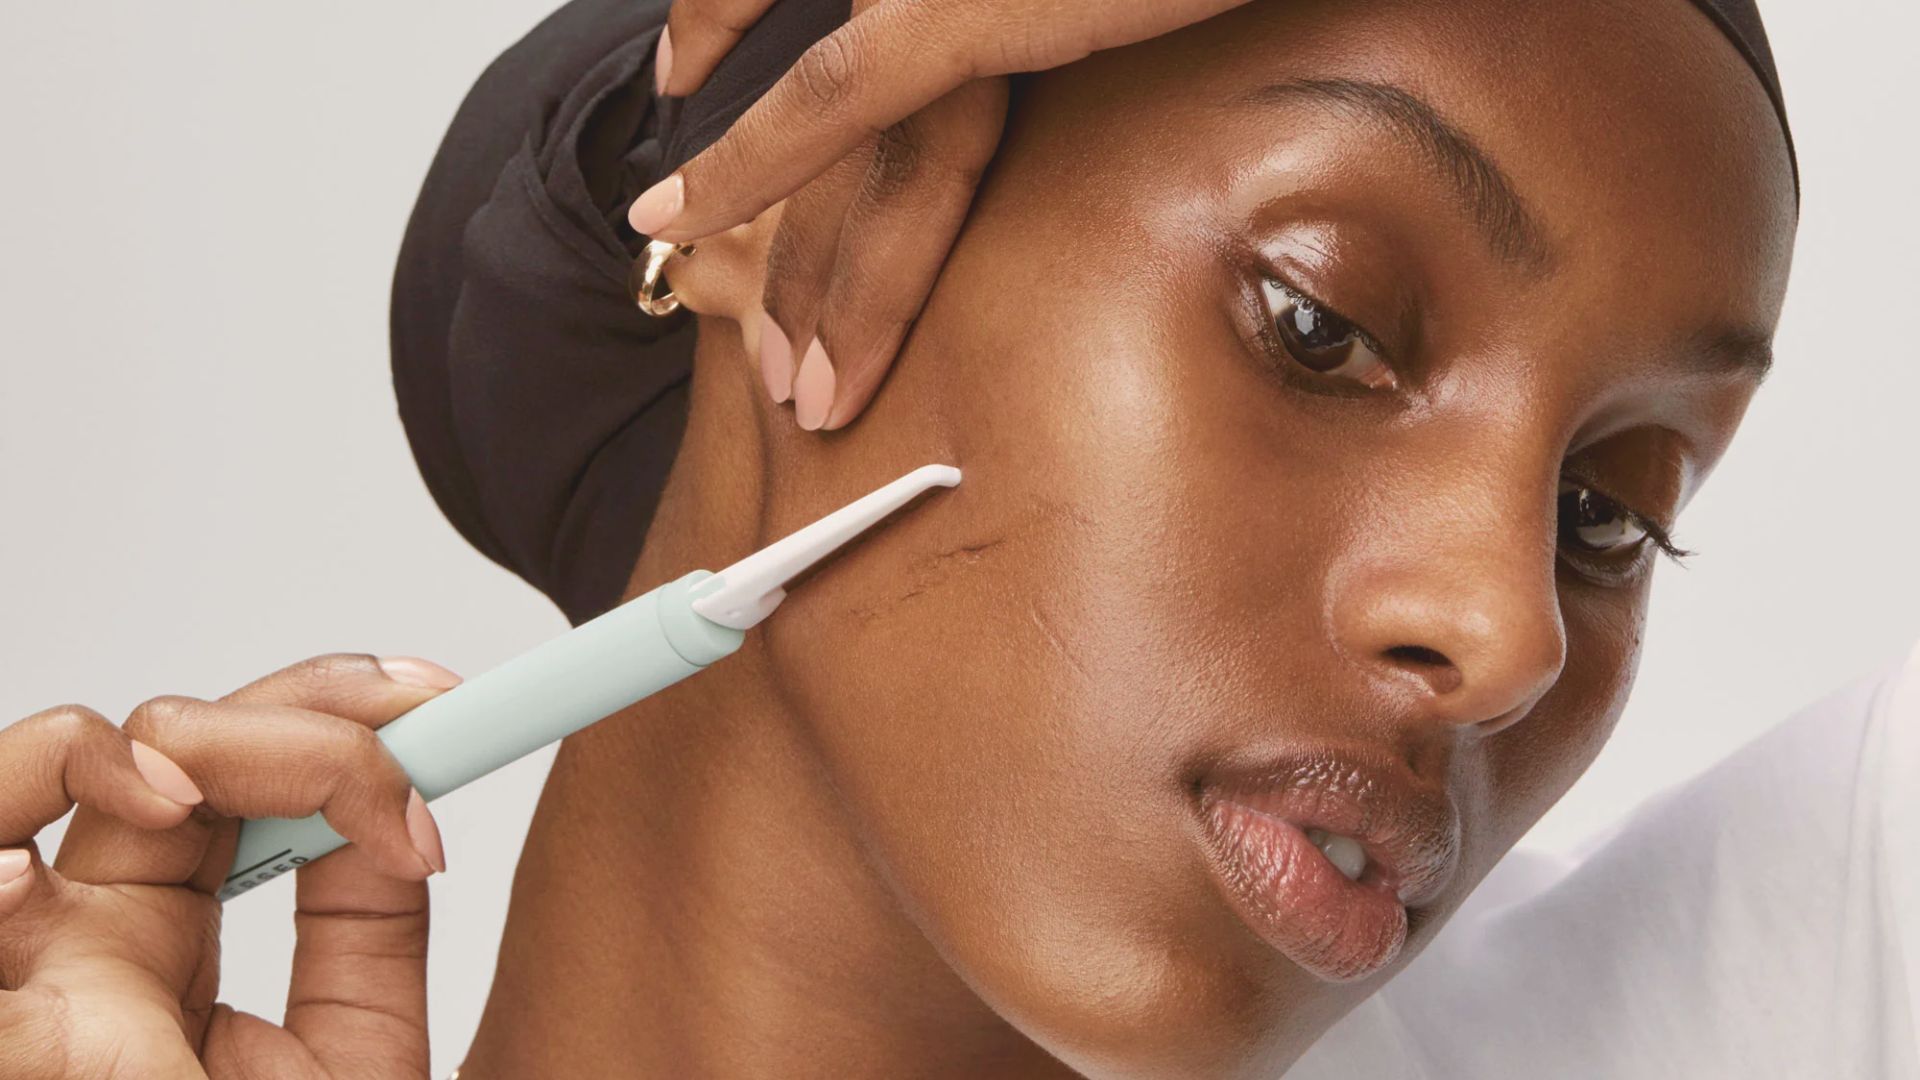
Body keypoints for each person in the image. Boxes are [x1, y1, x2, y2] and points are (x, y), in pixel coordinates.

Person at [0, 0, 1824, 1075]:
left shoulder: (1734, 1009)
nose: (1509, 633)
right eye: (1317, 323)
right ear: (779, 205)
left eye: (1607, 515)